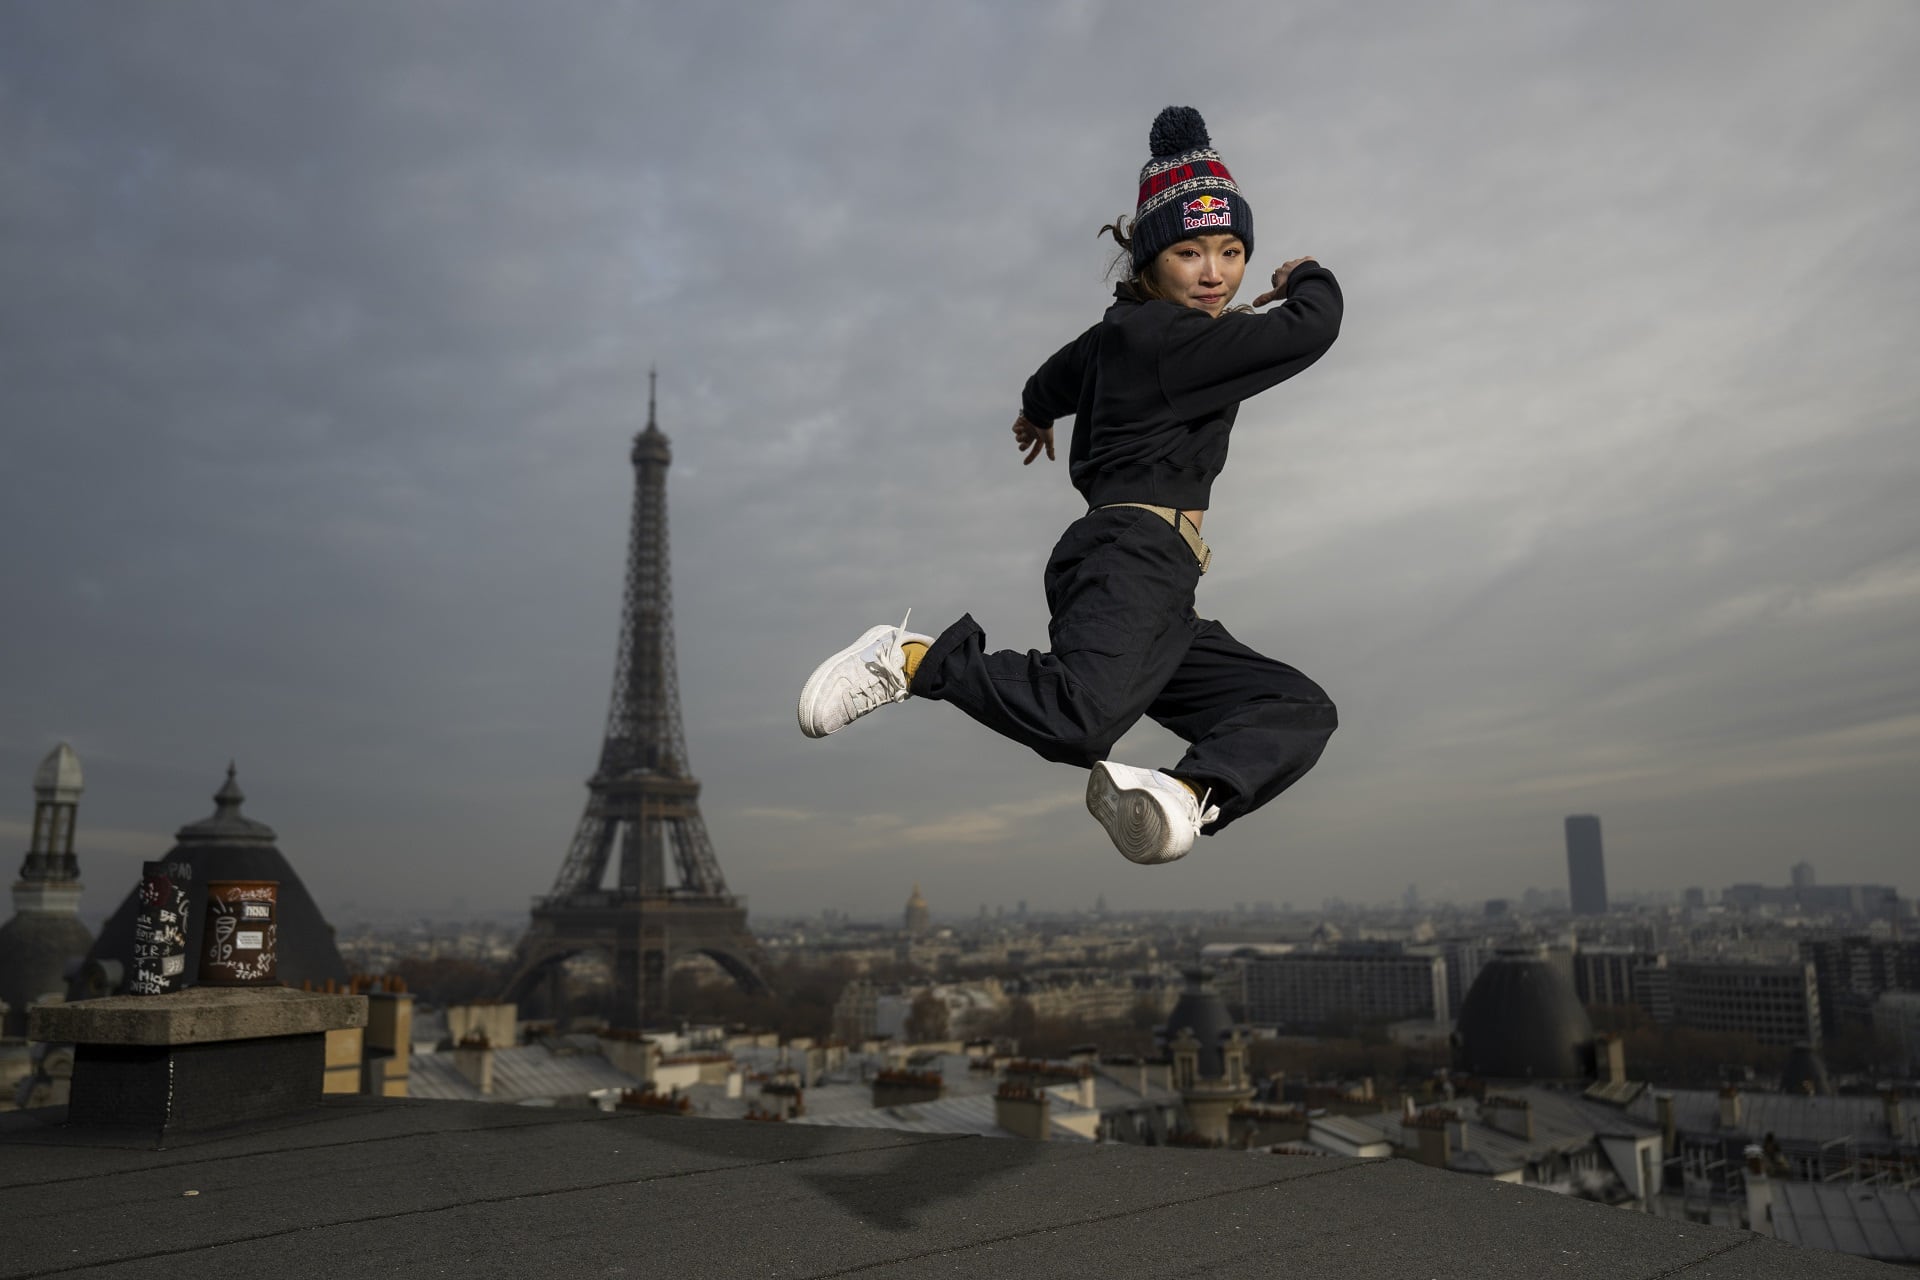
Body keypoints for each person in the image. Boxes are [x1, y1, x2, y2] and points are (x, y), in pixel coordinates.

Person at [797, 105, 1344, 866]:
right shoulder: (1177, 339)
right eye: (1190, 253)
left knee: (1295, 708)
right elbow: (1312, 328)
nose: (1215, 274)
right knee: (1079, 722)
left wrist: (1035, 414)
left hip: (1159, 582)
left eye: (1231, 251)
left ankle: (1185, 798)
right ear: (1150, 262)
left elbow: (1053, 374)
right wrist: (1305, 277)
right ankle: (912, 659)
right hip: (1129, 557)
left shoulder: (1116, 335)